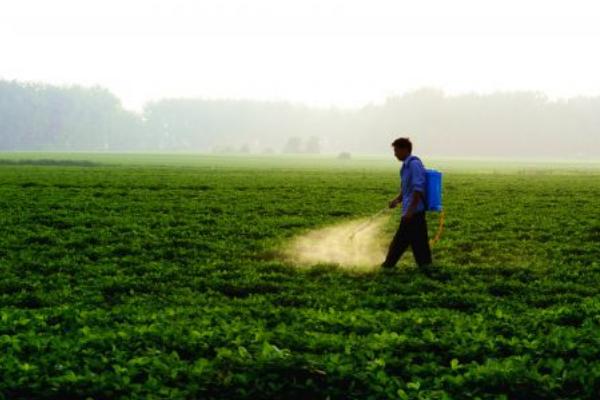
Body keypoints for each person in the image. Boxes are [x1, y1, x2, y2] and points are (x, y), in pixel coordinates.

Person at [381, 137, 433, 270]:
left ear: (405, 149)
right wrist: (397, 200)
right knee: (418, 242)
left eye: (396, 150)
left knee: (400, 241)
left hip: (414, 212)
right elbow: (406, 189)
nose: (395, 154)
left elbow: (418, 189)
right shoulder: (405, 167)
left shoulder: (414, 164)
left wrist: (410, 211)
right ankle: (426, 266)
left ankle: (388, 265)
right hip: (411, 211)